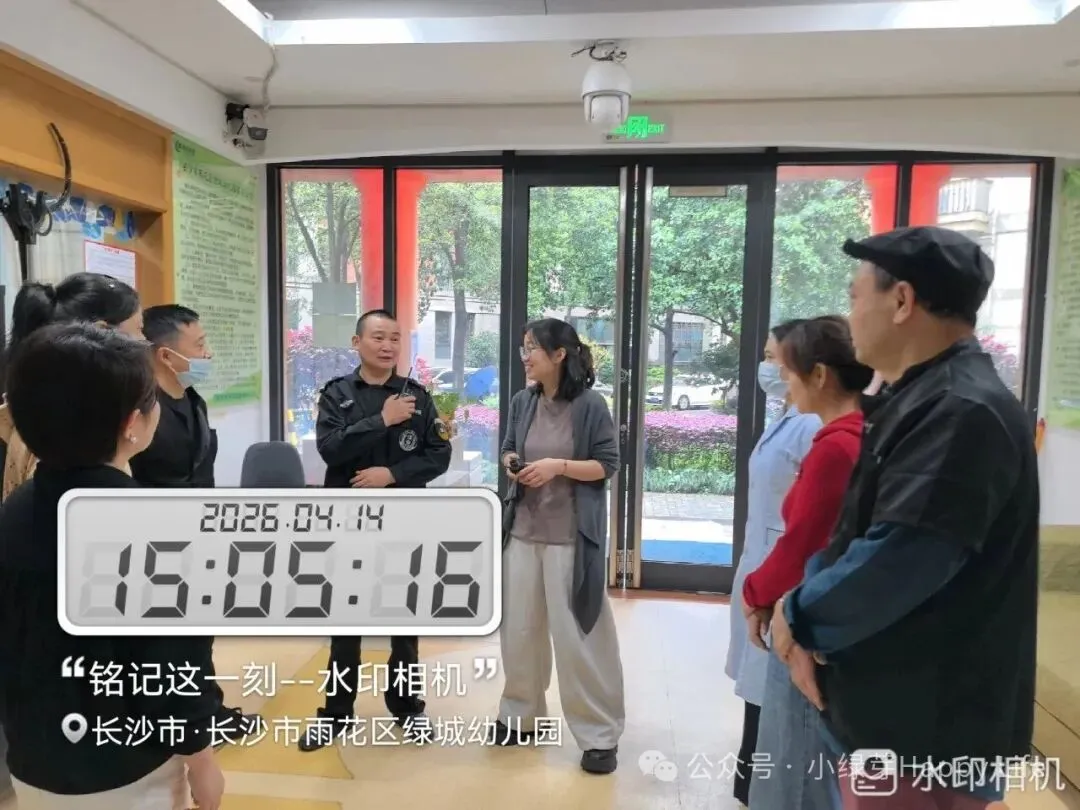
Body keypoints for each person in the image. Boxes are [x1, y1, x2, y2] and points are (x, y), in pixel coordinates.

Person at [771, 226, 1039, 809]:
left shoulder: (961, 410)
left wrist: (798, 614)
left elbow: (901, 558)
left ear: (901, 301)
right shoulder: (917, 397)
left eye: (854, 296)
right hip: (891, 709)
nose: (850, 315)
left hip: (927, 727)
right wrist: (804, 600)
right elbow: (853, 533)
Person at [0, 322, 223, 810]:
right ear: (132, 424)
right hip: (127, 771)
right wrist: (202, 759)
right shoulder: (156, 530)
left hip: (34, 760)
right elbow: (172, 667)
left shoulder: (15, 511)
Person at [299, 309, 451, 752]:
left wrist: (393, 475)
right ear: (357, 342)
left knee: (405, 622)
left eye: (395, 338)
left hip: (403, 523)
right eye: (378, 337)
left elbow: (437, 456)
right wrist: (382, 420)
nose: (387, 346)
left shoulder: (417, 396)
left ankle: (407, 707)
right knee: (345, 622)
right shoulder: (337, 394)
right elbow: (330, 450)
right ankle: (336, 713)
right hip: (350, 523)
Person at [742, 316, 871, 810]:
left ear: (818, 375)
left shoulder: (836, 446)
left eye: (786, 367)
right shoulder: (853, 434)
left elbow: (804, 544)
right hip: (817, 614)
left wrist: (756, 594)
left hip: (805, 621)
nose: (781, 377)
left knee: (792, 777)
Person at [495, 318, 624, 775]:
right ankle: (520, 715)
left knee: (579, 637)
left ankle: (599, 735)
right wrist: (513, 463)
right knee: (520, 632)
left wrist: (558, 466)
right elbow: (508, 448)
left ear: (559, 355)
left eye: (532, 347)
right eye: (523, 347)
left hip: (571, 537)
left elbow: (607, 464)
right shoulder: (523, 401)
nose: (525, 356)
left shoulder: (590, 405)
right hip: (522, 532)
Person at [130, 304, 258, 743]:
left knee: (199, 636)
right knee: (169, 644)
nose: (209, 354)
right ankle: (183, 723)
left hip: (200, 536)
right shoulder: (142, 413)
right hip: (159, 547)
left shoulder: (192, 399)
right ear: (167, 355)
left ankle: (209, 710)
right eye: (200, 345)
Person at [725, 318, 821, 807]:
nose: (765, 367)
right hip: (763, 564)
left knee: (774, 688)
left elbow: (811, 516)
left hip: (784, 574)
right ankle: (752, 779)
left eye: (771, 357)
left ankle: (759, 782)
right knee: (759, 686)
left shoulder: (814, 425)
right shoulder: (787, 414)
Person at [0, 273, 143, 501]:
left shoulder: (37, 406)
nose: (144, 339)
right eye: (139, 328)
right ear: (103, 332)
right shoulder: (81, 442)